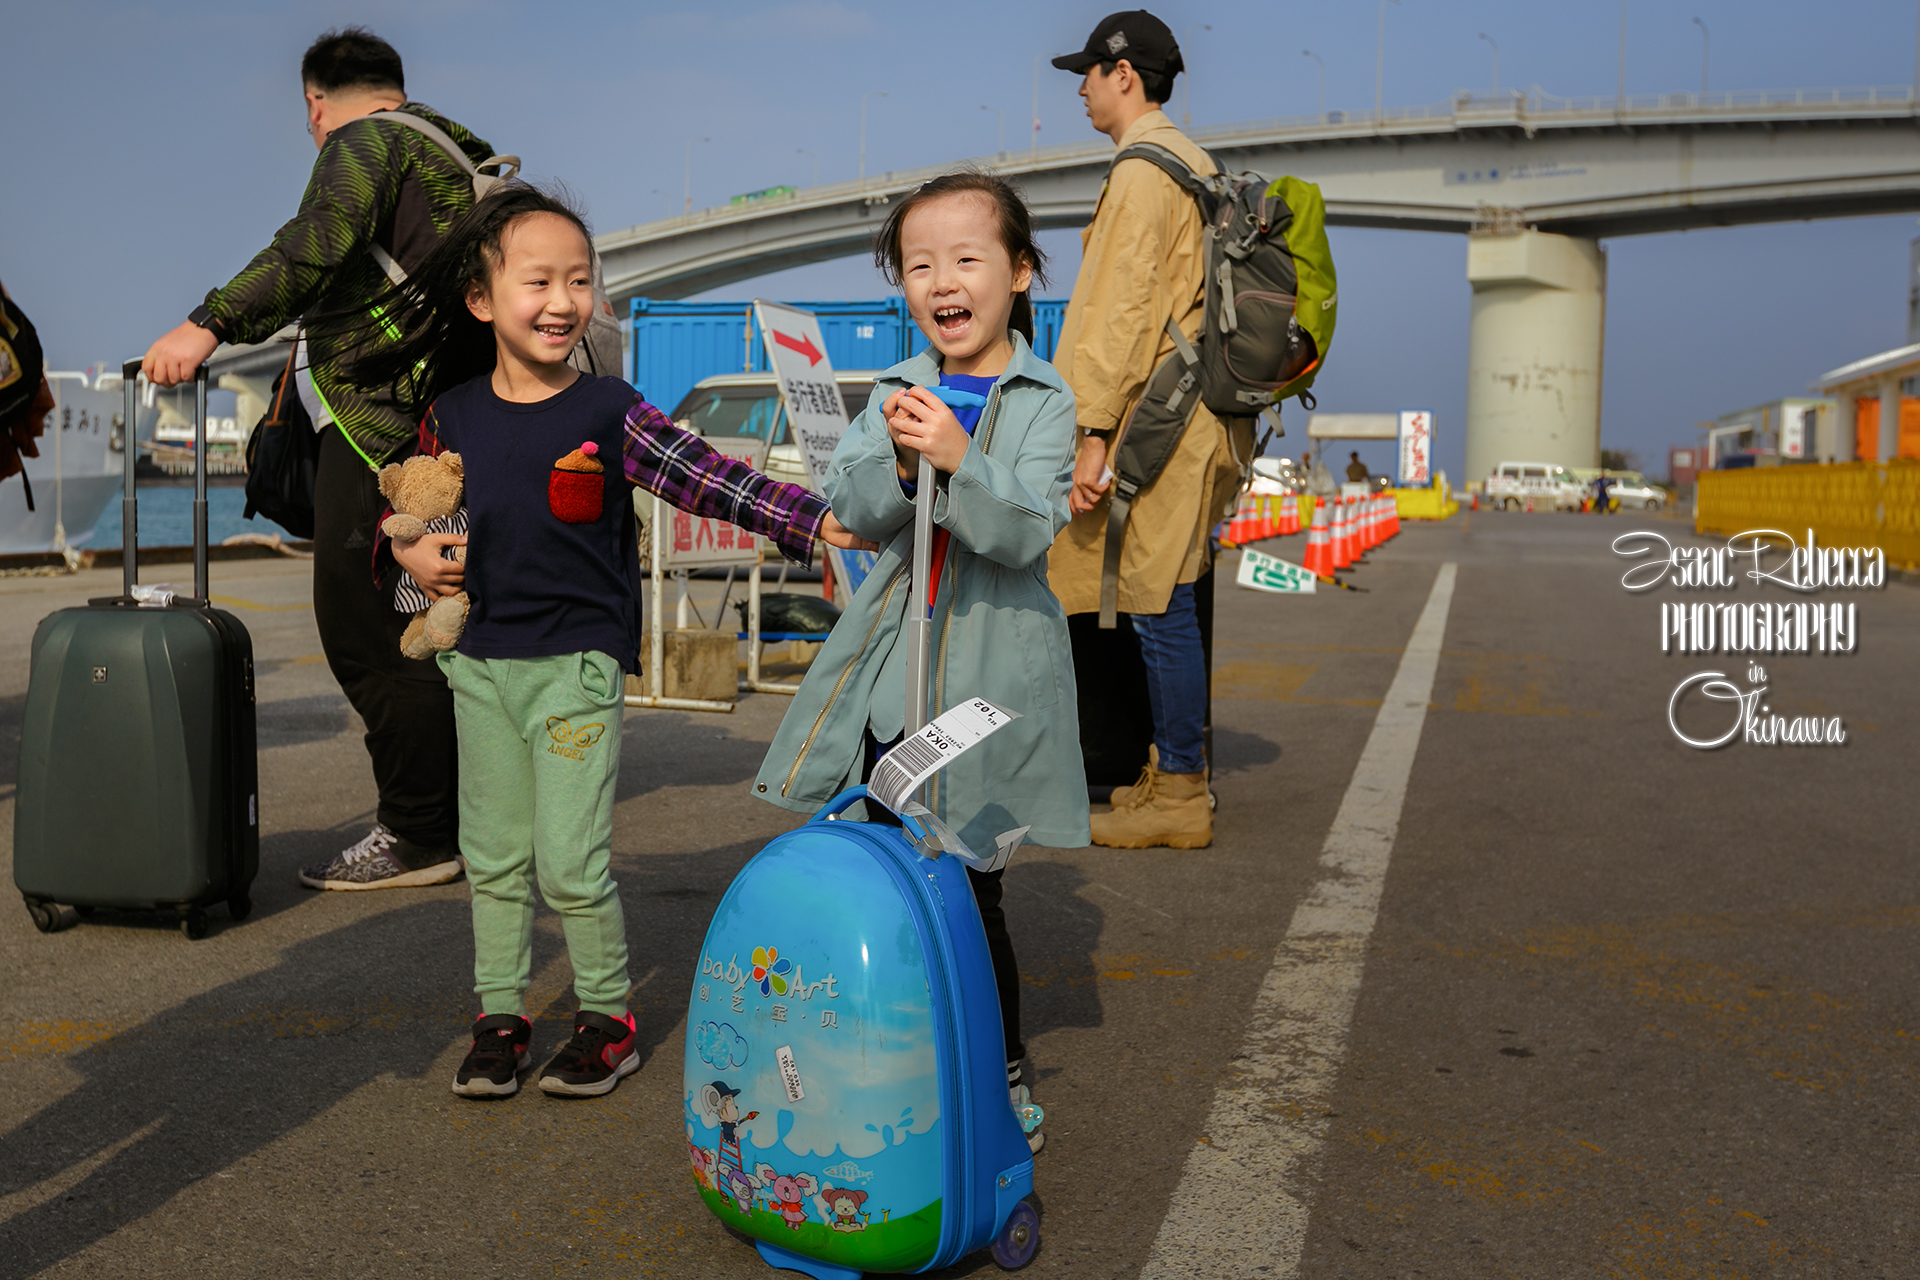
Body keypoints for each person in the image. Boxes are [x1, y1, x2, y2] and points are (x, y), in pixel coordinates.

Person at [316, 182, 873, 1098]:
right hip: (477, 668)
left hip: (573, 670)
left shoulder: (608, 409)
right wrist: (422, 568)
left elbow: (706, 476)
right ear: (482, 300)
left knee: (570, 864)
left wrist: (812, 521)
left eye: (581, 280)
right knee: (493, 858)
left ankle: (608, 1020)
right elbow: (404, 535)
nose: (564, 301)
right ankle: (501, 1014)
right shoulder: (450, 416)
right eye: (539, 281)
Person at [753, 171, 1088, 1153]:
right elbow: (851, 506)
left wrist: (957, 453)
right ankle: (899, 1050)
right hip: (900, 673)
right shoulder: (897, 387)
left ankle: (999, 1067)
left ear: (1020, 273)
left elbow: (1028, 529)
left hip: (982, 687)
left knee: (969, 881)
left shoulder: (1044, 394)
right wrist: (903, 463)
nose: (943, 278)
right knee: (890, 857)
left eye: (967, 257)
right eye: (920, 263)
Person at [142, 27, 495, 890]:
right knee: (429, 619)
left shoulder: (367, 143)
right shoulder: (459, 155)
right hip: (445, 429)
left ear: (314, 101)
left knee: (367, 628)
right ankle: (461, 816)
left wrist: (207, 322)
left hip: (384, 430)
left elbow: (314, 244)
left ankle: (416, 833)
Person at [1045, 11, 1252, 850]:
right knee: (1165, 589)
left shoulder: (1141, 171)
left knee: (1157, 599)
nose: (1082, 89)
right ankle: (1167, 775)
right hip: (1199, 412)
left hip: (1155, 417)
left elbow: (1122, 310)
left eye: (1088, 73)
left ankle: (1180, 794)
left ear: (1123, 73)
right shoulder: (1196, 165)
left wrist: (1091, 430)